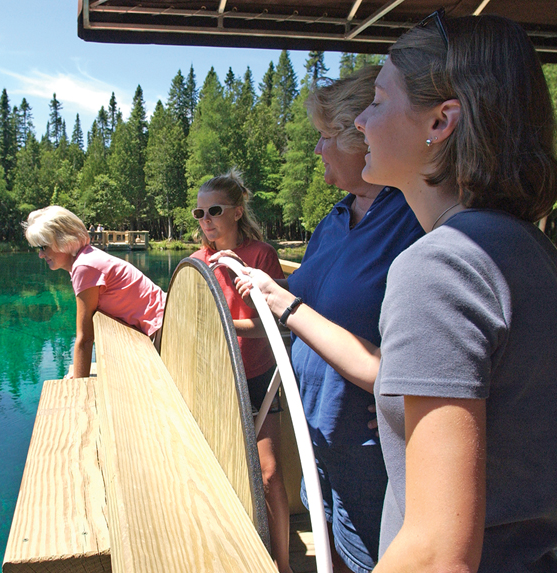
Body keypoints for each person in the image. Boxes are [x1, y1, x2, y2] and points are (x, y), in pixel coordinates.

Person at [350, 12, 557, 572]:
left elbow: (435, 556)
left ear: (441, 121)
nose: (359, 120)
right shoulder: (527, 248)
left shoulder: (439, 267)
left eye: (378, 99)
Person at [221, 67, 424, 573]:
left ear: (362, 137)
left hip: (369, 444)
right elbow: (312, 296)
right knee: (326, 537)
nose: (317, 149)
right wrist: (262, 285)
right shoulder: (335, 219)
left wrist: (282, 301)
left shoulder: (414, 217)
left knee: (368, 558)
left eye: (325, 136)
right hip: (316, 427)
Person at [190, 170, 292, 573]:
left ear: (236, 211)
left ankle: (282, 564)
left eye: (214, 210)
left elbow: (276, 323)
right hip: (217, 381)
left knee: (269, 475)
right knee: (223, 475)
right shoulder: (197, 263)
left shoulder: (261, 255)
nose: (206, 219)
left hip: (258, 378)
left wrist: (225, 325)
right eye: (200, 212)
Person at [24, 206, 165, 379]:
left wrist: (78, 382)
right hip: (161, 322)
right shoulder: (86, 258)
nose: (40, 254)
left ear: (63, 240)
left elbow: (85, 338)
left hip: (163, 329)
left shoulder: (84, 266)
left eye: (44, 247)